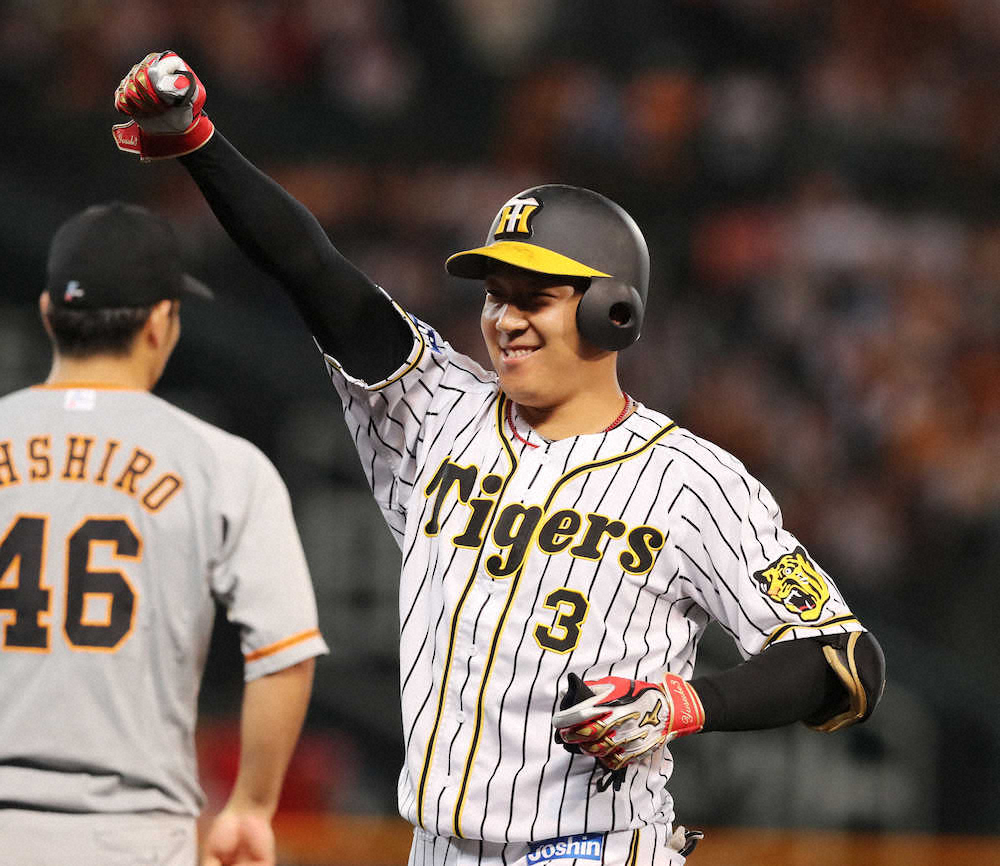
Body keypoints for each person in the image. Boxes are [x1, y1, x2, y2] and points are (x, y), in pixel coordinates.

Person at [112, 52, 886, 865]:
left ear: (612, 312)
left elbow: (842, 659)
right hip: (438, 848)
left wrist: (684, 703)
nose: (504, 319)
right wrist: (199, 144)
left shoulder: (690, 481)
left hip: (592, 847)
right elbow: (313, 271)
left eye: (534, 298)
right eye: (495, 296)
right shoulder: (435, 409)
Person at [0, 200, 329, 866]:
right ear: (160, 323)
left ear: (48, 313)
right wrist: (251, 807)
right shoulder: (221, 462)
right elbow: (284, 652)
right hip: (131, 833)